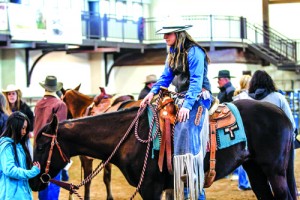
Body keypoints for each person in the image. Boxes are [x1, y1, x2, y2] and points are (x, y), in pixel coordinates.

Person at [140, 23, 212, 200]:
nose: (165, 38)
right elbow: (165, 77)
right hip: (180, 95)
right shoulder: (172, 52)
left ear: (179, 34)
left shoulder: (195, 52)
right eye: (164, 34)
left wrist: (187, 106)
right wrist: (151, 93)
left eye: (168, 34)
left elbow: (196, 81)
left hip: (198, 96)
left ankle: (195, 187)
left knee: (186, 128)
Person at [34, 75, 68, 200]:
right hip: (52, 150)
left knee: (42, 179)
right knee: (53, 180)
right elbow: (61, 130)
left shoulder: (38, 104)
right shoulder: (60, 105)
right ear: (55, 88)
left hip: (38, 148)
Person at [0, 111, 40, 200]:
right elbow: (9, 170)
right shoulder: (6, 146)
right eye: (22, 128)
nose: (24, 132)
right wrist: (31, 172)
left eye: (26, 129)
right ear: (13, 127)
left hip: (23, 195)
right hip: (11, 196)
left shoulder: (19, 145)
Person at [247, 70, 296, 135]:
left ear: (252, 84)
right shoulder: (278, 97)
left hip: (252, 139)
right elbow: (290, 122)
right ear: (269, 82)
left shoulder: (245, 99)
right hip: (276, 138)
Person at [2, 84, 34, 158]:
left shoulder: (23, 107)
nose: (11, 96)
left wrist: (30, 130)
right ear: (6, 96)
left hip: (22, 137)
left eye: (13, 93)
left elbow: (31, 117)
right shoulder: (3, 108)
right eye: (9, 94)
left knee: (29, 155)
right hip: (8, 138)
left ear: (17, 95)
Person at [232, 74, 252, 191]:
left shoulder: (237, 96)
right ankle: (243, 183)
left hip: (239, 129)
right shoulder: (245, 96)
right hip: (246, 129)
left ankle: (243, 182)